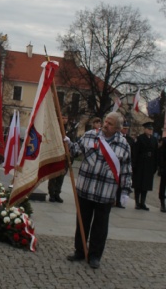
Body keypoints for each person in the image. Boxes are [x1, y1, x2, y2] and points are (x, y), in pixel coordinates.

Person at [66, 112, 132, 269]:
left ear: (117, 128)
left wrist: (125, 190)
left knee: (100, 226)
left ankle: (95, 255)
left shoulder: (123, 145)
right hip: (85, 188)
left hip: (106, 192)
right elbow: (76, 151)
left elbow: (126, 169)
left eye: (110, 123)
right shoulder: (90, 135)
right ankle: (80, 250)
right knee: (82, 221)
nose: (105, 125)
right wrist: (68, 143)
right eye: (105, 121)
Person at [132, 122, 158, 211]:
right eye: (149, 129)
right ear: (145, 129)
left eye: (151, 130)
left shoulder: (154, 139)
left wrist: (155, 166)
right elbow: (135, 152)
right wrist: (134, 164)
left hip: (149, 164)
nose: (150, 131)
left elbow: (156, 153)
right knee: (138, 184)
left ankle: (143, 202)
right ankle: (137, 203)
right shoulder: (140, 138)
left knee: (146, 185)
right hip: (140, 164)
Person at [115, 120, 135, 208]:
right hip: (116, 163)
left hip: (124, 165)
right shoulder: (116, 137)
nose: (125, 130)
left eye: (127, 128)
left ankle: (119, 200)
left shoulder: (130, 140)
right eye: (124, 128)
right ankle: (113, 199)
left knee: (121, 183)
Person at [158, 135, 166, 212]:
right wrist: (162, 166)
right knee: (163, 186)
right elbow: (161, 154)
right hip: (165, 168)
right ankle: (162, 203)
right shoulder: (164, 140)